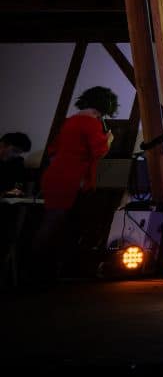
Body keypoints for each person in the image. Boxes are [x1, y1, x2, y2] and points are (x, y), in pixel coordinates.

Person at [34, 87, 117, 281]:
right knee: (64, 225)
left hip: (54, 176)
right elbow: (100, 151)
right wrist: (109, 139)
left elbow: (53, 151)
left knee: (51, 221)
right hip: (72, 180)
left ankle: (39, 268)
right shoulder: (91, 124)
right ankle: (51, 270)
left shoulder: (69, 121)